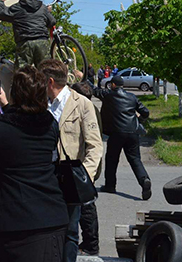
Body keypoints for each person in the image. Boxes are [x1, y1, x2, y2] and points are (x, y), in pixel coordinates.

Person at [0, 67, 68, 262]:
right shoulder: (50, 124)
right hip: (52, 216)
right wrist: (8, 105)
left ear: (15, 93)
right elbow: (26, 119)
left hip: (16, 221)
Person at [40, 59, 103, 260]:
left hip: (70, 178)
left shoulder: (82, 104)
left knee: (70, 232)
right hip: (44, 176)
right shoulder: (40, 104)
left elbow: (95, 146)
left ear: (49, 81)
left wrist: (85, 177)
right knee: (45, 230)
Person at [93, 75, 152, 200]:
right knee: (135, 159)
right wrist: (138, 121)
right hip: (132, 132)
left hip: (116, 133)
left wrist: (83, 77)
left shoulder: (107, 95)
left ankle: (110, 185)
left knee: (112, 159)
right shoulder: (132, 97)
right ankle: (144, 180)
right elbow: (145, 112)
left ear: (113, 85)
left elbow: (93, 90)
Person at [0, 0, 56, 70]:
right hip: (42, 42)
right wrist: (48, 12)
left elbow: (1, 13)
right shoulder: (42, 8)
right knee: (45, 72)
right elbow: (52, 22)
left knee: (22, 74)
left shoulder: (17, 7)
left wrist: (0, 2)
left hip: (25, 43)